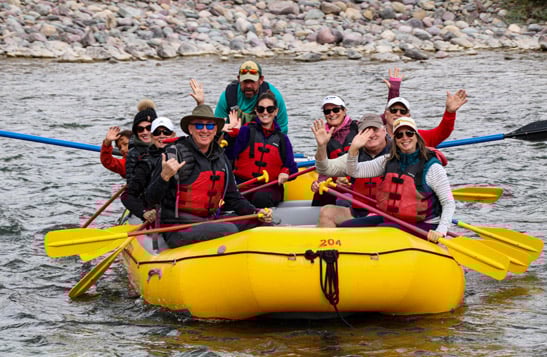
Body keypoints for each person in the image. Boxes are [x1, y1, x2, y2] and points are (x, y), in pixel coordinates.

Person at [145, 104, 272, 248]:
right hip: (178, 228)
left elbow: (233, 197)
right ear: (190, 129)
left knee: (260, 221)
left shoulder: (221, 158)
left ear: (216, 130)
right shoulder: (173, 155)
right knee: (228, 229)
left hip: (209, 221)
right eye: (199, 126)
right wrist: (164, 177)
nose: (205, 130)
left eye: (210, 126)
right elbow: (150, 199)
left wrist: (256, 212)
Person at [344, 117, 455, 242]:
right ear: (395, 140)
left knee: (383, 230)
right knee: (346, 228)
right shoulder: (387, 161)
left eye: (409, 133)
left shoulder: (432, 167)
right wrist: (353, 149)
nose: (405, 137)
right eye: (399, 135)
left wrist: (441, 230)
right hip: (393, 220)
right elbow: (354, 171)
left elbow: (448, 202)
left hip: (424, 225)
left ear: (416, 136)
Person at [312, 114, 391, 227]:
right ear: (358, 135)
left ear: (384, 131)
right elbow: (324, 169)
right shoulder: (353, 155)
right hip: (359, 212)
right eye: (366, 131)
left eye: (375, 129)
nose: (371, 134)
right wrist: (322, 146)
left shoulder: (396, 153)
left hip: (389, 215)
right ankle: (331, 244)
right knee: (327, 212)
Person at [224, 90, 298, 208]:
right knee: (230, 200)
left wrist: (286, 172)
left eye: (269, 109)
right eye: (261, 109)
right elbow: (228, 155)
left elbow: (292, 169)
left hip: (269, 189)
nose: (265, 113)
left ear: (276, 111)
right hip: (243, 186)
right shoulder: (245, 131)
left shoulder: (283, 140)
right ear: (256, 111)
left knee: (260, 197)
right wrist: (231, 135)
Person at [122, 117, 176, 223]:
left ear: (173, 135)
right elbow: (127, 196)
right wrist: (144, 213)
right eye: (157, 132)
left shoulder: (184, 155)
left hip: (179, 214)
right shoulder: (145, 163)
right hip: (153, 215)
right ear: (151, 137)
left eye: (166, 132)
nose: (162, 135)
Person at [214, 60, 289, 134]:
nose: (248, 86)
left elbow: (283, 129)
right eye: (245, 81)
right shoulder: (228, 96)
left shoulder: (275, 97)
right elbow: (216, 127)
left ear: (261, 80)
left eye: (252, 81)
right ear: (239, 79)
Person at [383, 90, 468, 147]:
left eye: (403, 111)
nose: (398, 114)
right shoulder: (375, 136)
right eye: (393, 110)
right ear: (386, 114)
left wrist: (450, 112)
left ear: (409, 116)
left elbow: (443, 132)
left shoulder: (420, 136)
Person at [125, 99, 157, 183]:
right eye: (140, 129)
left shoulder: (167, 147)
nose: (145, 132)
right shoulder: (133, 154)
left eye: (149, 128)